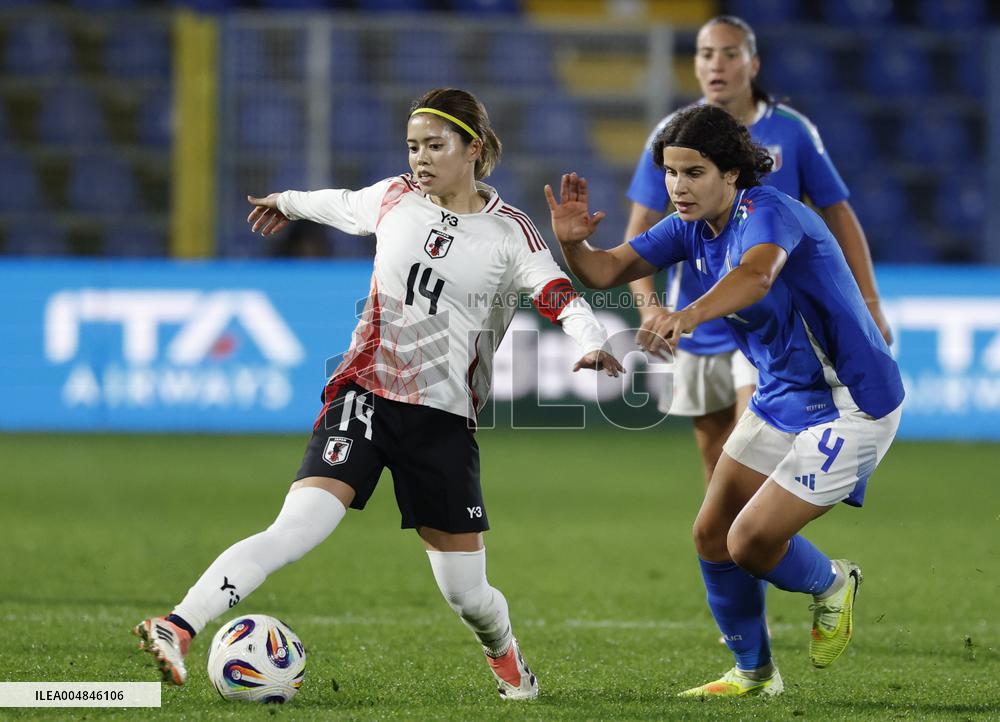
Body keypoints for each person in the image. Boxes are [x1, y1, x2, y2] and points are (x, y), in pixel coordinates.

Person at [134, 87, 623, 701]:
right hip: (364, 393)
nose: (420, 158)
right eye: (413, 145)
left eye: (435, 146)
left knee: (467, 594)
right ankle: (178, 625)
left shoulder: (510, 234)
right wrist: (287, 203)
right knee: (296, 527)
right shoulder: (394, 197)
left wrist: (593, 337)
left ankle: (507, 660)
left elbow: (556, 293)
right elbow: (336, 203)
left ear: (472, 149)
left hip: (442, 420)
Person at [545, 104, 904, 697]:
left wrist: (683, 315)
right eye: (670, 172)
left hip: (853, 402)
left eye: (694, 173)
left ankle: (834, 582)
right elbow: (607, 270)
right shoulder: (690, 226)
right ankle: (756, 675)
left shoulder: (770, 212)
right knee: (712, 535)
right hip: (782, 396)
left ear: (732, 172)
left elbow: (757, 277)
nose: (677, 188)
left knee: (749, 542)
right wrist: (572, 246)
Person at [626, 15, 891, 489]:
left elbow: (838, 213)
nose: (717, 65)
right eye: (706, 54)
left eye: (730, 53)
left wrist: (870, 303)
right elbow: (639, 229)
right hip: (701, 316)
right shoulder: (674, 134)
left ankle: (770, 546)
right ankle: (739, 554)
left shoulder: (793, 132)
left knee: (757, 443)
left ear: (753, 63)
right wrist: (651, 308)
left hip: (767, 308)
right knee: (716, 459)